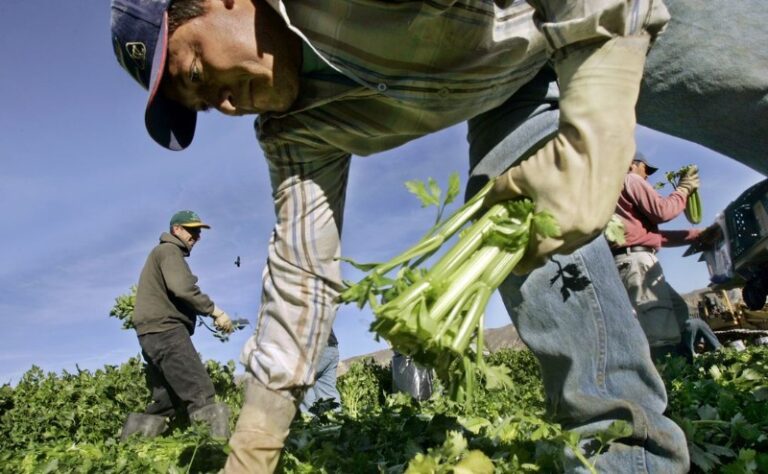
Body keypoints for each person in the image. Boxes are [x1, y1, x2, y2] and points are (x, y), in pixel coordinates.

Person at [109, 0, 767, 471]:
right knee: (517, 230)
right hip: (506, 85)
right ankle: (630, 455)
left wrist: (597, 120)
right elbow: (301, 278)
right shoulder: (296, 130)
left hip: (584, 8)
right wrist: (253, 451)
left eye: (197, 71)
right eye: (202, 105)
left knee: (739, 82)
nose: (223, 101)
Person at [120, 210, 235, 441]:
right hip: (166, 331)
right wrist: (216, 311)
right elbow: (183, 288)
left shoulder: (160, 254)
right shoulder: (169, 251)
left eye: (199, 232)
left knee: (166, 401)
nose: (196, 236)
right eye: (192, 230)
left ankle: (130, 450)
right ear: (177, 230)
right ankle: (212, 456)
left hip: (150, 334)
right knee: (200, 392)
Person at [611, 153, 703, 361]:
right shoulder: (631, 179)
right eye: (646, 170)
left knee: (678, 309)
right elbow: (662, 211)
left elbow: (652, 237)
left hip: (630, 260)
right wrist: (683, 189)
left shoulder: (616, 194)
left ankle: (682, 364)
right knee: (658, 328)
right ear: (633, 165)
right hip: (637, 262)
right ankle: (669, 379)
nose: (647, 177)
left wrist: (697, 236)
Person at [298, 330, 341, 415]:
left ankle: (309, 419)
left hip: (315, 350)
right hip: (331, 347)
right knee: (327, 392)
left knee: (300, 382)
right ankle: (336, 423)